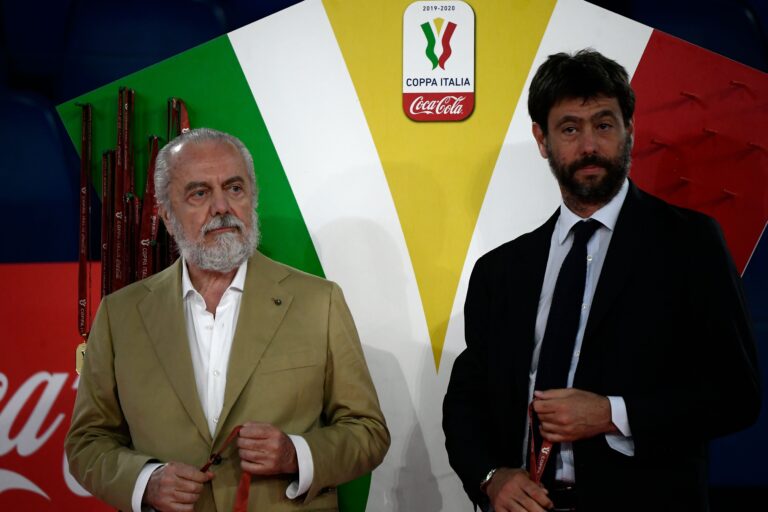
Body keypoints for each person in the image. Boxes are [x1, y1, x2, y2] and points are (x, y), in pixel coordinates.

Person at [442, 49, 760, 512]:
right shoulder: (501, 270)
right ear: (542, 139)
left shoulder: (689, 243)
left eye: (604, 125)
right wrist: (491, 477)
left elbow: (736, 394)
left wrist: (613, 414)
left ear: (630, 129)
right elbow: (466, 401)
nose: (589, 145)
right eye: (570, 129)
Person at [66, 128, 390, 511]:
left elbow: (368, 431)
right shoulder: (119, 315)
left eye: (234, 188)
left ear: (252, 198)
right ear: (166, 216)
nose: (221, 207)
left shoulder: (320, 302)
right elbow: (87, 441)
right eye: (199, 193)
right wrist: (145, 482)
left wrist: (296, 454)